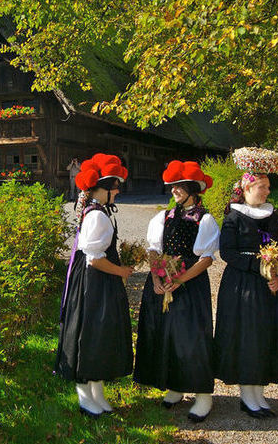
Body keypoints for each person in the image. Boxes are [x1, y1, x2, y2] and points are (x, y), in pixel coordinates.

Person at [134, 161, 220, 422]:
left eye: (179, 186)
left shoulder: (205, 220)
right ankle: (175, 386)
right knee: (166, 334)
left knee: (191, 337)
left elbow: (206, 259)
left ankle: (203, 395)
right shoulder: (164, 217)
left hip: (190, 285)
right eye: (172, 186)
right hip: (162, 283)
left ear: (193, 189)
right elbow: (153, 250)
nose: (174, 190)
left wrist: (180, 280)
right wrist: (155, 277)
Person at [54, 153, 134, 418]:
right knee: (90, 333)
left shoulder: (99, 210)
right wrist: (121, 271)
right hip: (94, 282)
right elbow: (95, 259)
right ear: (104, 188)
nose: (118, 191)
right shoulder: (97, 216)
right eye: (116, 186)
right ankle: (84, 396)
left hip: (98, 280)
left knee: (100, 334)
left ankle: (97, 392)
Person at [214, 147, 278, 419]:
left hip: (269, 286)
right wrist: (257, 266)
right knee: (247, 336)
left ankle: (258, 391)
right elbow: (227, 253)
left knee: (265, 335)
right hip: (242, 286)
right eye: (262, 187)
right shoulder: (234, 216)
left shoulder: (272, 215)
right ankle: (247, 394)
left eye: (268, 187)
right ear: (247, 188)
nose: (267, 191)